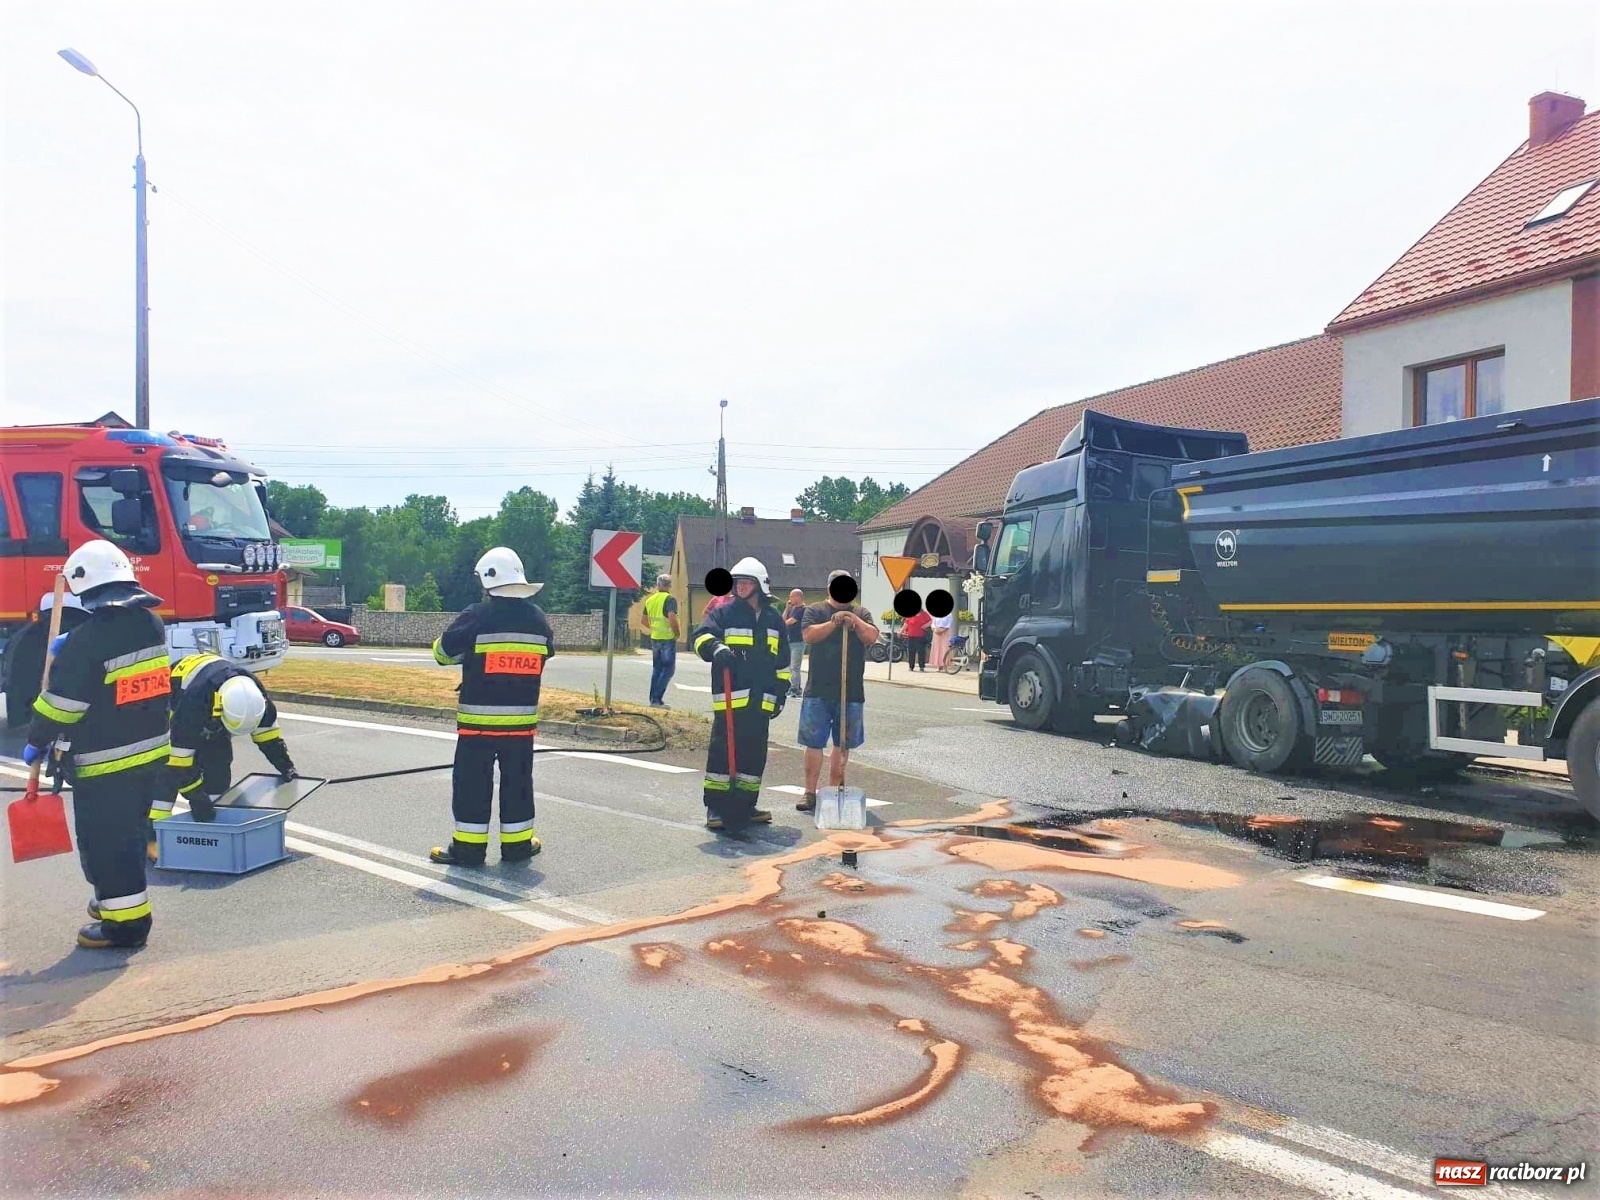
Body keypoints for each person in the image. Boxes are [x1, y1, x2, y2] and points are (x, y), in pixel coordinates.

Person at [24, 540, 171, 949]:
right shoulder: (150, 623)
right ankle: (112, 901)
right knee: (129, 837)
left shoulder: (87, 640)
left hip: (106, 766)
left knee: (107, 845)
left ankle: (125, 926)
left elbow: (62, 707)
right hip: (151, 754)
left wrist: (36, 740)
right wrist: (73, 648)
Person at [428, 547, 555, 865]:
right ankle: (518, 847)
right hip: (521, 726)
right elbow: (545, 653)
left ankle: (469, 850)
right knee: (518, 784)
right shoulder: (538, 619)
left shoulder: (476, 615)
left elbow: (443, 653)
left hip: (479, 725)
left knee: (472, 784)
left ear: (487, 580)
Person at [691, 557, 790, 832]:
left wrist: (781, 693)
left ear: (760, 585)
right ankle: (716, 807)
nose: (741, 586)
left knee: (754, 755)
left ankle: (746, 806)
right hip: (731, 699)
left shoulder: (774, 620)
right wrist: (716, 648)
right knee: (722, 754)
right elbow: (700, 637)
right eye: (738, 582)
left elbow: (783, 663)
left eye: (746, 582)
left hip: (762, 700)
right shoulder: (724, 613)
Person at [159, 655, 299, 845]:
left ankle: (214, 831)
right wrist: (194, 795)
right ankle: (153, 834)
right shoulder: (192, 704)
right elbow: (178, 761)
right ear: (220, 708)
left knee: (219, 763)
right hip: (172, 700)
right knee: (165, 777)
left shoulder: (256, 698)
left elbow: (269, 738)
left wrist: (286, 766)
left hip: (211, 706)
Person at [795, 569, 879, 813]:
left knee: (843, 744)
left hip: (851, 690)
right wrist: (834, 622)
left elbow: (871, 636)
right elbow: (809, 635)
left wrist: (854, 620)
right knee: (813, 742)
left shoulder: (861, 612)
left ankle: (833, 791)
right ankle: (809, 792)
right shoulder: (815, 610)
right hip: (818, 689)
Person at [639, 574, 680, 707]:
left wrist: (654, 628)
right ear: (670, 585)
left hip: (655, 638)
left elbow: (643, 620)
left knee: (657, 668)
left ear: (657, 585)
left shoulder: (650, 600)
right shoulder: (670, 599)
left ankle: (653, 699)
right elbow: (672, 618)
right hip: (667, 638)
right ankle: (657, 699)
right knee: (668, 670)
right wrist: (676, 633)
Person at [782, 589, 807, 697]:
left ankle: (795, 689)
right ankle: (794, 687)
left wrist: (783, 623)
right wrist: (787, 609)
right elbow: (783, 619)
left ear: (798, 597)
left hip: (798, 642)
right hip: (790, 641)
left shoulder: (802, 610)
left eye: (792, 596)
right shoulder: (793, 609)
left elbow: (788, 622)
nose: (790, 599)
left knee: (794, 666)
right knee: (789, 666)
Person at [902, 606, 933, 671]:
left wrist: (925, 625)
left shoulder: (924, 614)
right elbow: (906, 624)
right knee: (911, 652)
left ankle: (921, 667)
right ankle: (911, 667)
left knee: (921, 652)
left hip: (920, 637)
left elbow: (931, 621)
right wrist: (901, 631)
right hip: (911, 637)